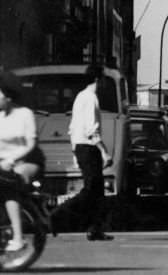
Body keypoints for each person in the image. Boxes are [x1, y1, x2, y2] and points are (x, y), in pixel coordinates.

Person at [52, 64, 112, 241]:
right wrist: (104, 152)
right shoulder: (91, 98)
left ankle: (95, 228)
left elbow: (73, 128)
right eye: (103, 80)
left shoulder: (79, 97)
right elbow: (91, 129)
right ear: (98, 79)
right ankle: (56, 216)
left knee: (98, 191)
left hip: (80, 146)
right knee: (90, 189)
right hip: (89, 147)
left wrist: (74, 149)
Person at [0, 72, 44, 253]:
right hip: (3, 164)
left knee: (9, 188)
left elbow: (31, 144)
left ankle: (18, 237)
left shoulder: (25, 114)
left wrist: (11, 160)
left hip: (28, 161)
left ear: (8, 97)